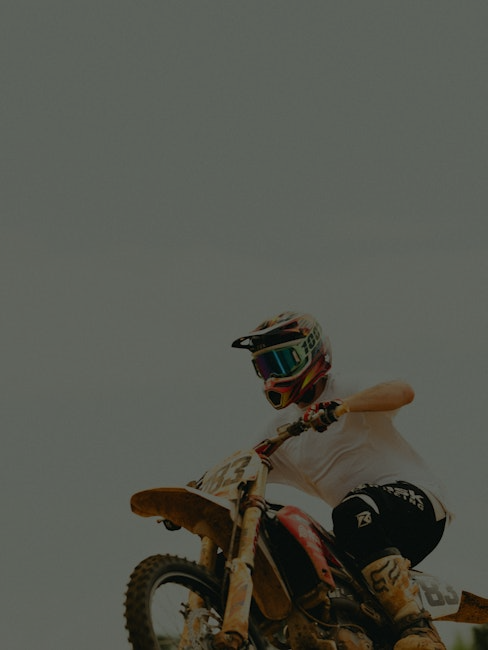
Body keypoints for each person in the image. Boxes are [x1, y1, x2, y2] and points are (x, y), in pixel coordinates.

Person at [232, 311, 451, 650]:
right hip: (358, 533)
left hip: (418, 507)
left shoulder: (344, 387)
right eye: (265, 367)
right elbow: (244, 466)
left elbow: (403, 391)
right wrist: (201, 489)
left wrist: (343, 406)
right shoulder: (278, 428)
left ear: (311, 353)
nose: (274, 375)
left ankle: (418, 627)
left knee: (351, 509)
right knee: (280, 534)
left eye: (282, 361)